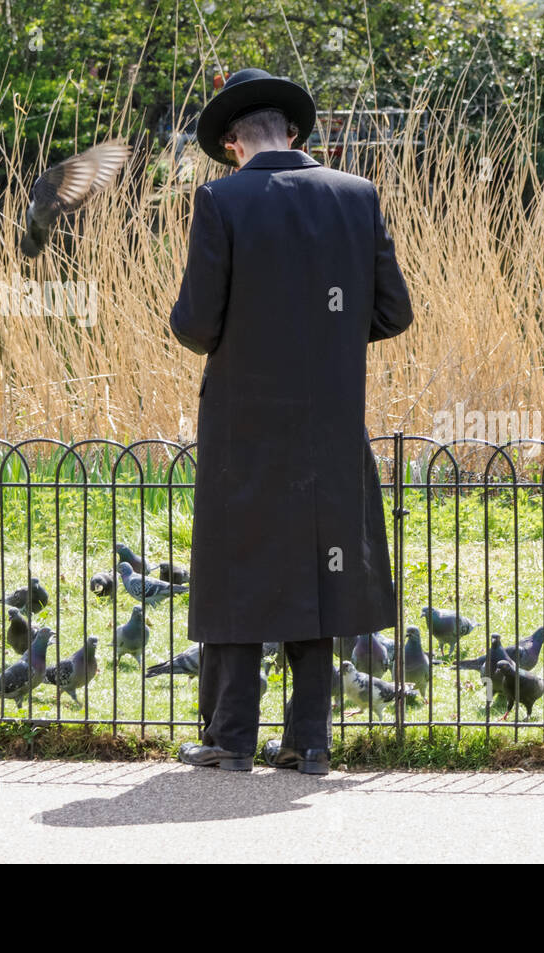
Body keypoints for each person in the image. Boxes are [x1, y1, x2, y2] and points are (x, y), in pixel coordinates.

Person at [169, 70, 414, 774]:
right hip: (329, 423)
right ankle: (309, 741)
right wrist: (326, 335)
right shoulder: (356, 195)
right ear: (295, 135)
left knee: (240, 566)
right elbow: (394, 311)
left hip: (244, 424)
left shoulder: (219, 201)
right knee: (320, 566)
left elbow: (196, 325)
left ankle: (230, 737)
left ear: (233, 144)